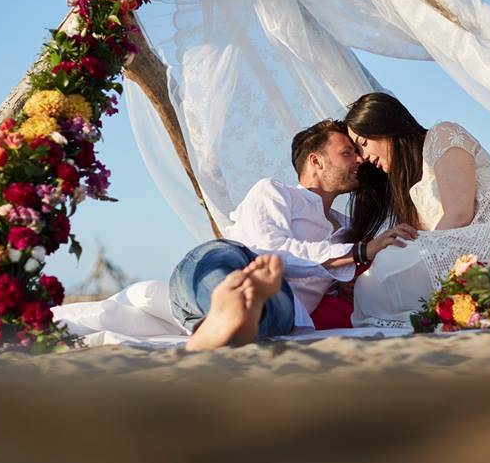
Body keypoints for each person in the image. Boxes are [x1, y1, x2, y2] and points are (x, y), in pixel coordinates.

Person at [171, 119, 415, 351]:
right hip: (233, 263)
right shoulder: (275, 192)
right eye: (347, 152)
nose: (360, 160)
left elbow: (336, 281)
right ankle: (228, 309)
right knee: (228, 268)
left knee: (271, 312)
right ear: (316, 162)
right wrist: (358, 252)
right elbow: (271, 250)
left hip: (284, 304)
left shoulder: (349, 231)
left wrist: (346, 286)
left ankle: (223, 327)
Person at [344, 92, 490, 327]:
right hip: (461, 254)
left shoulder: (441, 135)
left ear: (384, 125)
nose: (365, 157)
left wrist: (413, 255)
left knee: (385, 269)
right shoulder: (409, 183)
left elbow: (460, 214)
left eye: (364, 144)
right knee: (376, 275)